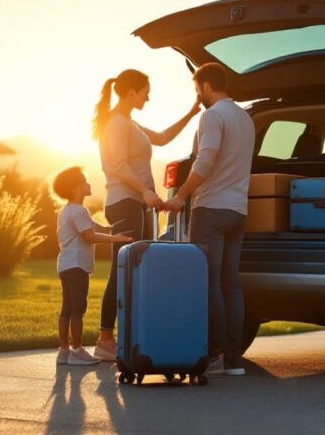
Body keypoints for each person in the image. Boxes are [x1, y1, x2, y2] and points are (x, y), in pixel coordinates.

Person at [91, 69, 201, 361]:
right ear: (131, 92)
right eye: (145, 92)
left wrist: (192, 112)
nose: (148, 97)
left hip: (136, 202)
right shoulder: (115, 123)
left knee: (138, 270)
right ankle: (104, 340)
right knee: (123, 268)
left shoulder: (129, 122)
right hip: (125, 201)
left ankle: (128, 336)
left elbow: (163, 138)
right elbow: (119, 166)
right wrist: (143, 191)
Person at [164, 62, 255, 377]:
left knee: (208, 282)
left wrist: (180, 196)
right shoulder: (246, 118)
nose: (197, 96)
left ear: (204, 85)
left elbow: (205, 161)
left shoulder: (212, 116)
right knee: (231, 284)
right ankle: (234, 359)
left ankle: (214, 354)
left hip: (211, 210)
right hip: (238, 211)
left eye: (196, 89)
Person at [52, 166, 134, 366]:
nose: (88, 185)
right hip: (77, 266)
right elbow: (90, 236)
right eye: (84, 182)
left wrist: (111, 229)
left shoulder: (66, 211)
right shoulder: (79, 211)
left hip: (65, 265)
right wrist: (116, 238)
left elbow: (90, 228)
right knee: (78, 308)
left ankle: (63, 351)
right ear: (75, 188)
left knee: (67, 309)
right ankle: (77, 351)